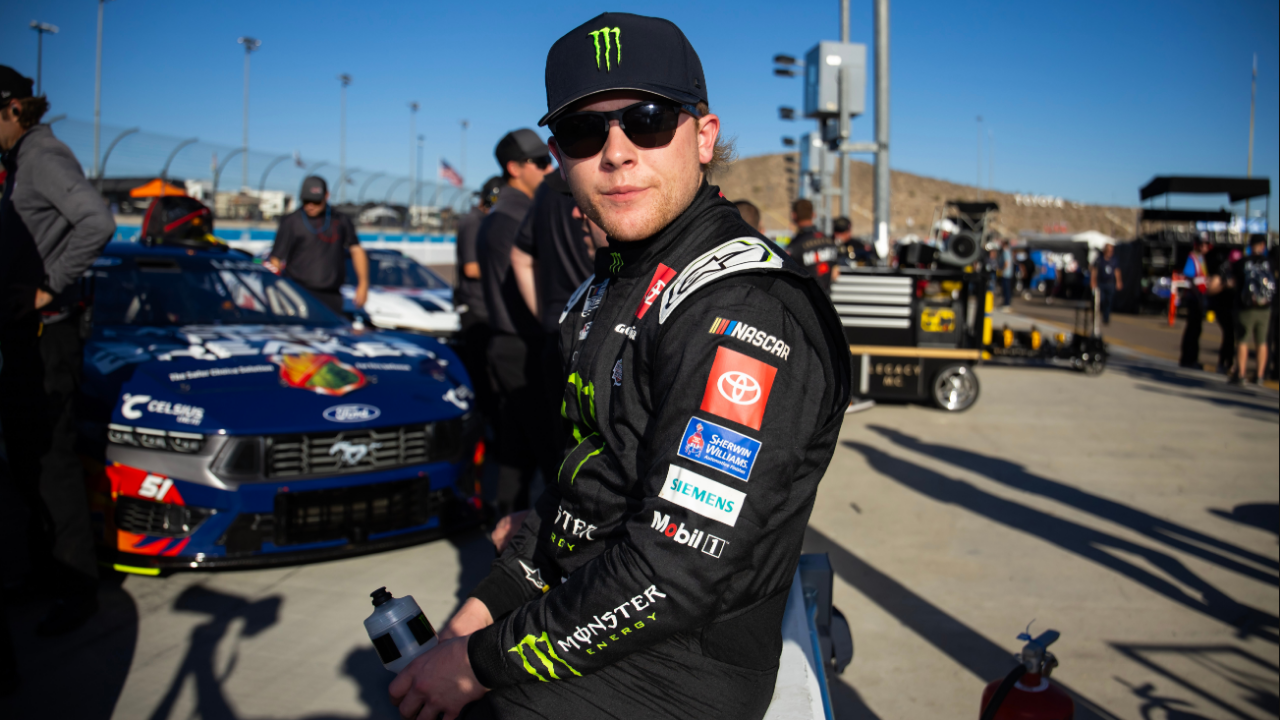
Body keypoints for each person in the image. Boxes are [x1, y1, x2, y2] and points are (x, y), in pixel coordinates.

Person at [388, 13, 850, 720]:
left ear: (703, 136)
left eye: (647, 119)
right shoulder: (608, 286)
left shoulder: (743, 308)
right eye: (585, 132)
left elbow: (680, 568)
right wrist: (484, 607)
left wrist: (481, 663)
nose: (617, 152)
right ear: (558, 156)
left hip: (682, 666)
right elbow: (587, 493)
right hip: (602, 614)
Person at [0, 66, 116, 636]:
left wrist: (50, 285)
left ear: (15, 109)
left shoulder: (42, 154)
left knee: (52, 464)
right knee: (26, 462)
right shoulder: (17, 162)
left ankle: (76, 587)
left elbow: (98, 221)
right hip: (25, 334)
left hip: (49, 334)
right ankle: (45, 572)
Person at [476, 129, 554, 516]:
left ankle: (507, 550)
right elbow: (535, 281)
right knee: (551, 457)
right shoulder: (515, 215)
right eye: (539, 162)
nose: (549, 166)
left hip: (511, 343)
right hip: (522, 346)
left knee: (515, 457)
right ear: (513, 168)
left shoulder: (502, 213)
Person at [510, 170, 595, 491]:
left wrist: (545, 312)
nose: (579, 214)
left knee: (562, 443)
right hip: (597, 331)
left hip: (556, 331)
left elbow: (520, 256)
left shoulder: (545, 191)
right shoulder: (604, 177)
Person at [266, 175, 368, 315]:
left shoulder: (340, 220)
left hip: (332, 295)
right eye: (306, 201)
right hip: (298, 292)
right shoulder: (291, 221)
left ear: (326, 196)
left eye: (315, 201)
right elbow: (276, 259)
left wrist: (363, 285)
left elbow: (356, 250)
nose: (310, 205)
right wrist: (276, 292)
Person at [455, 176, 504, 419]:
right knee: (480, 374)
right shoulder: (473, 222)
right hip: (474, 309)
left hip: (485, 308)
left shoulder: (484, 220)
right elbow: (471, 268)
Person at [1227, 235, 1275, 384]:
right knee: (1262, 342)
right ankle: (1260, 375)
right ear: (1263, 245)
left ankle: (1241, 374)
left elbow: (1232, 282)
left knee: (1242, 340)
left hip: (1245, 308)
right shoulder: (1270, 263)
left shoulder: (1243, 262)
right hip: (1265, 308)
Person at [788, 198, 841, 295]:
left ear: (794, 216)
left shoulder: (795, 245)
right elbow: (835, 274)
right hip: (826, 300)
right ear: (813, 214)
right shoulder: (828, 241)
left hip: (806, 300)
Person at [1179, 238, 1209, 368]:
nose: (1206, 247)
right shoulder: (1192, 258)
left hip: (1201, 296)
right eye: (1203, 245)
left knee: (1197, 328)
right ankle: (1188, 358)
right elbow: (1189, 277)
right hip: (1194, 297)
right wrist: (1196, 294)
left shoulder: (1201, 258)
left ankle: (1192, 358)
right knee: (1193, 328)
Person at [1091, 243, 1122, 325]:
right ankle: (1095, 317)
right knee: (1099, 300)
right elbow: (1094, 270)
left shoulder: (1114, 260)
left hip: (1110, 283)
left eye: (1111, 251)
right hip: (1101, 283)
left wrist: (1118, 281)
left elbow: (1117, 271)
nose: (1110, 252)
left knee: (1108, 301)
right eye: (1108, 250)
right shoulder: (1099, 259)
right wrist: (1093, 282)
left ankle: (1106, 317)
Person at [998, 239, 1015, 308]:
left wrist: (1001, 270)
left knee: (1006, 289)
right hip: (1008, 273)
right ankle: (1006, 303)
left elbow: (1006, 263)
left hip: (1006, 273)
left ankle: (1006, 303)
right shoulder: (1009, 251)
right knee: (1007, 289)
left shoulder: (1005, 251)